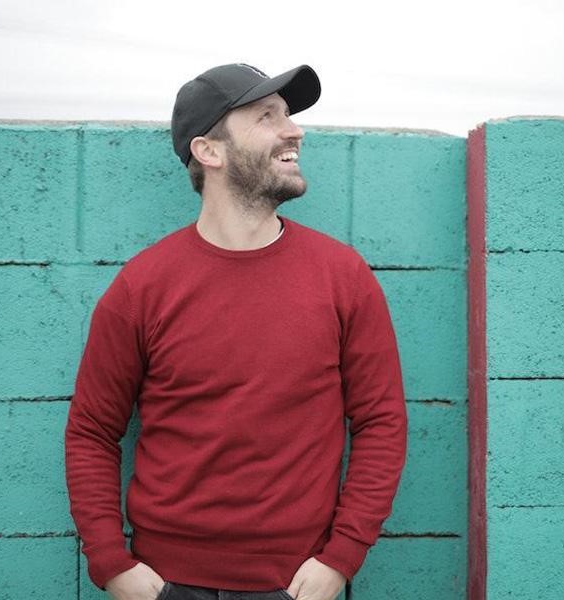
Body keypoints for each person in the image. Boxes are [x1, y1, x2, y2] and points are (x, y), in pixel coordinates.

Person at [65, 63, 407, 600]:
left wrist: (341, 558)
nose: (293, 130)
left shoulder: (343, 277)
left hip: (296, 582)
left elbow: (381, 422)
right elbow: (91, 430)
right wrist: (112, 564)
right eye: (266, 117)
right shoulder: (143, 286)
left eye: (289, 116)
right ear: (210, 151)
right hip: (166, 582)